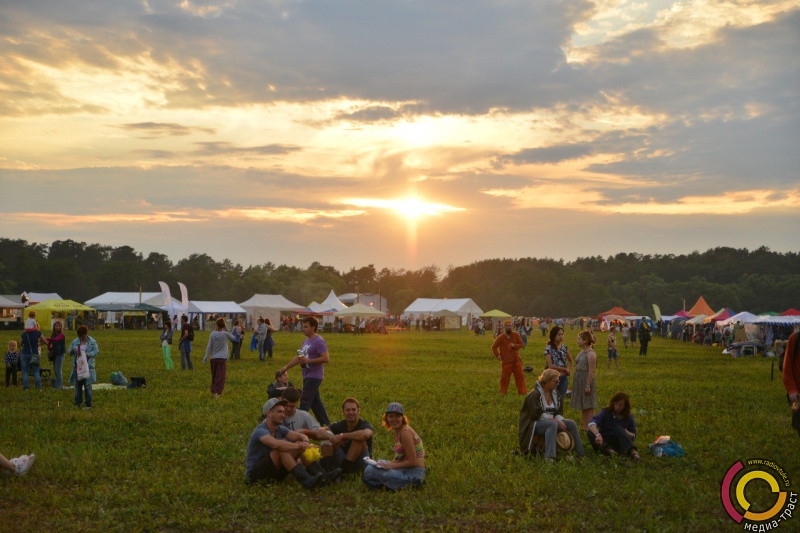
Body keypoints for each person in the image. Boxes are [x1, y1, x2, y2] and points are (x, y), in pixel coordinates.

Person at [244, 398, 326, 490]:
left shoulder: (279, 428)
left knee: (297, 445)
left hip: (274, 472)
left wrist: (305, 442)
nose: (283, 415)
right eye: (279, 412)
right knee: (280, 450)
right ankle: (307, 481)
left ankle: (324, 477)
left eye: (283, 412)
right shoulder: (260, 431)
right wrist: (299, 446)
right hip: (255, 476)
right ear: (268, 413)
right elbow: (276, 444)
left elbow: (300, 436)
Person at [518, 369, 585, 462]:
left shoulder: (556, 394)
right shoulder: (534, 395)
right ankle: (549, 457)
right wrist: (556, 421)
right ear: (546, 381)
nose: (558, 384)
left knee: (571, 423)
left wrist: (560, 421)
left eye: (558, 381)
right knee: (552, 424)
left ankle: (579, 454)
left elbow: (558, 412)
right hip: (534, 423)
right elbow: (536, 414)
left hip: (551, 420)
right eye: (556, 382)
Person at [279, 387, 341, 482]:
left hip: (300, 455)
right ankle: (323, 476)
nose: (288, 409)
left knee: (326, 435)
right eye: (286, 405)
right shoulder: (277, 416)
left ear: (297, 403)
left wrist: (305, 432)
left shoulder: (303, 415)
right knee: (301, 448)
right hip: (283, 455)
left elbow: (318, 432)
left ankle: (327, 472)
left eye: (292, 406)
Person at [279, 316, 330, 426]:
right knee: (316, 403)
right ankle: (327, 425)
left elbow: (326, 358)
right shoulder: (306, 341)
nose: (303, 329)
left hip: (315, 376)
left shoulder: (319, 341)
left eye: (306, 327)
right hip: (306, 375)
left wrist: (309, 360)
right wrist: (286, 367)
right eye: (303, 327)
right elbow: (299, 358)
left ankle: (297, 426)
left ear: (313, 327)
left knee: (304, 402)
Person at [362, 402, 425, 490]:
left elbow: (412, 462)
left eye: (397, 416)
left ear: (402, 418)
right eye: (391, 416)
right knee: (377, 463)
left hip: (413, 474)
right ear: (386, 418)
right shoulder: (399, 431)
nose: (394, 419)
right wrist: (385, 464)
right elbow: (400, 458)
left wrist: (390, 466)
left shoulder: (405, 433)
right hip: (405, 469)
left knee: (371, 471)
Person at [322, 397, 374, 475]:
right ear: (343, 412)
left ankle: (344, 472)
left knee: (359, 440)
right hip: (343, 459)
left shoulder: (365, 424)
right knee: (325, 439)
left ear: (358, 411)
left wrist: (342, 436)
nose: (351, 412)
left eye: (353, 409)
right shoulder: (340, 424)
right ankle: (329, 470)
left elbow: (365, 434)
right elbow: (320, 431)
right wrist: (332, 437)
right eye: (348, 410)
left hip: (361, 462)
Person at [587, 392, 639, 460]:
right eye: (616, 403)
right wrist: (597, 435)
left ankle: (633, 452)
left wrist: (628, 433)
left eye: (620, 405)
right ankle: (609, 451)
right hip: (604, 440)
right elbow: (592, 423)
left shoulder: (628, 417)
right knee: (590, 432)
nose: (617, 407)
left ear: (625, 406)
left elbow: (633, 435)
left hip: (619, 442)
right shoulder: (606, 412)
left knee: (618, 428)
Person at [571, 330, 599, 430]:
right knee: (584, 404)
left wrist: (588, 385)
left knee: (589, 405)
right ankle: (585, 426)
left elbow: (591, 370)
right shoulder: (582, 351)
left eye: (579, 339)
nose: (577, 341)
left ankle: (592, 426)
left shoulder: (591, 354)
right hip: (579, 379)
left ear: (585, 340)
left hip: (586, 379)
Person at [202, 317, 235, 399]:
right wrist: (226, 328)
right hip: (222, 358)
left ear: (216, 325)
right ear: (223, 325)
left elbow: (209, 347)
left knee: (214, 375)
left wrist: (206, 357)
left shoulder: (212, 334)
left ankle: (214, 391)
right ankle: (217, 392)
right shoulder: (225, 334)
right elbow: (233, 338)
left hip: (213, 358)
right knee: (221, 376)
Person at [491, 319, 527, 395]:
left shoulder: (516, 335)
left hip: (517, 360)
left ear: (512, 327)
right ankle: (503, 393)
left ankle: (522, 392)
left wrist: (514, 345)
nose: (509, 327)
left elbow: (521, 344)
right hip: (506, 362)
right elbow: (494, 347)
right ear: (504, 327)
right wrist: (498, 355)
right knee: (505, 378)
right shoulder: (501, 337)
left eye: (510, 326)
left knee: (520, 377)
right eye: (507, 326)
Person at [68, 325, 99, 410]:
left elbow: (96, 351)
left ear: (86, 334)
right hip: (77, 367)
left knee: (88, 386)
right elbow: (69, 351)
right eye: (80, 337)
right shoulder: (75, 342)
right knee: (77, 386)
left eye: (83, 336)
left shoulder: (92, 342)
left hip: (88, 367)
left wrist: (88, 354)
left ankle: (88, 404)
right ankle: (78, 403)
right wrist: (72, 350)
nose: (82, 338)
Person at [544, 326, 573, 400]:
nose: (561, 337)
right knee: (551, 399)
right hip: (552, 378)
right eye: (559, 335)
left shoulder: (564, 348)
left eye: (562, 334)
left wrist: (569, 370)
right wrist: (564, 369)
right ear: (554, 336)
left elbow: (571, 361)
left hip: (563, 378)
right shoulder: (549, 348)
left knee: (561, 400)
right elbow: (550, 365)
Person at [782, 330, 800, 438]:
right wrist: (792, 390)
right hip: (797, 396)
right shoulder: (795, 339)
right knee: (798, 424)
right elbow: (786, 368)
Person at [20, 323, 47, 391]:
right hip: (34, 354)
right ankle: (38, 387)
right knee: (36, 371)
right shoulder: (37, 333)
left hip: (24, 354)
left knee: (25, 371)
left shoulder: (24, 333)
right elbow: (45, 341)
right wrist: (40, 344)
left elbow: (20, 343)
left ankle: (26, 387)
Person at [46, 320, 67, 389]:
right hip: (54, 354)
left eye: (59, 326)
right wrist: (49, 348)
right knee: (55, 370)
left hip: (60, 354)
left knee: (58, 370)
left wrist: (46, 339)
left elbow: (56, 339)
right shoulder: (53, 334)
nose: (57, 327)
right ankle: (59, 384)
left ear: (61, 327)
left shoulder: (61, 335)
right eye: (56, 326)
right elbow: (50, 342)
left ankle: (58, 387)